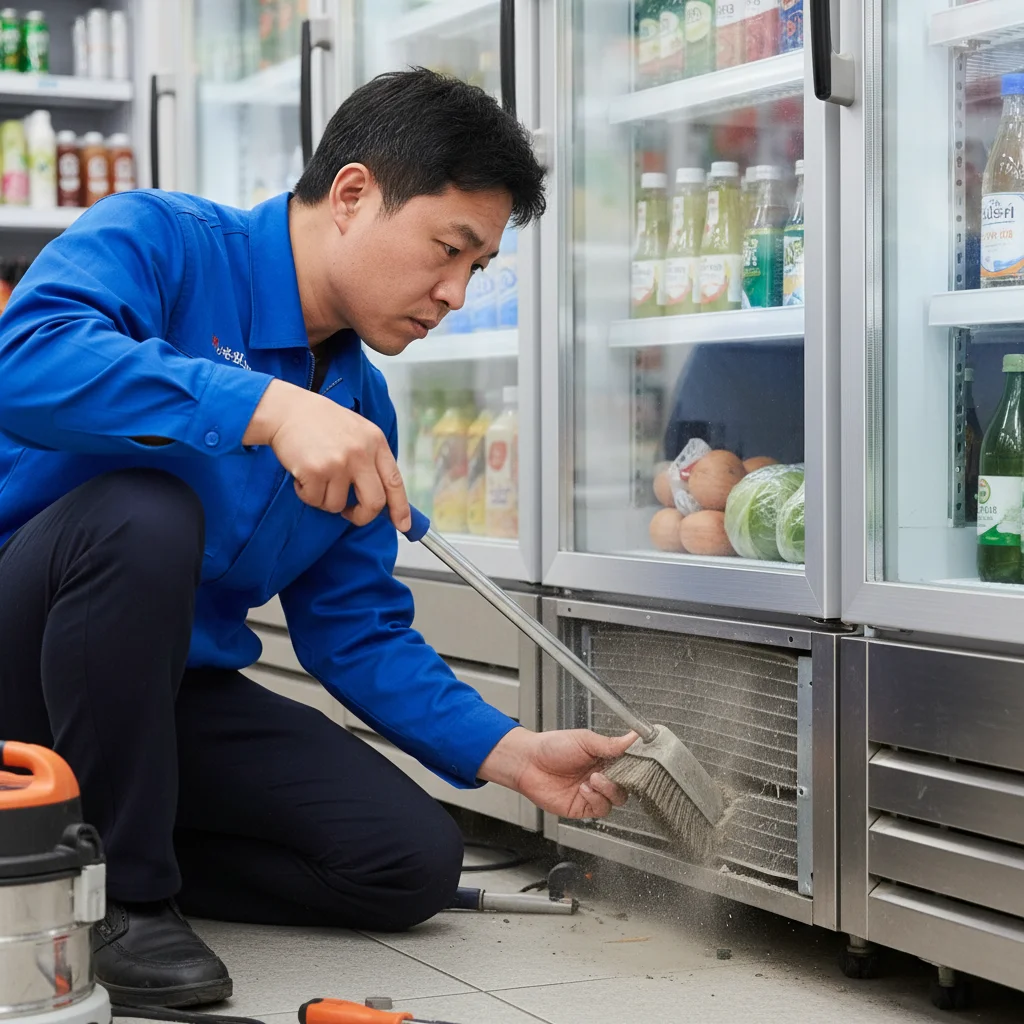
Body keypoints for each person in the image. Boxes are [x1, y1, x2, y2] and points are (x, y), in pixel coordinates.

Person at [0, 69, 633, 1008]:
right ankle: (126, 905)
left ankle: (68, 859)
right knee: (145, 512)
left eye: (478, 269)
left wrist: (508, 752)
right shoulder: (162, 240)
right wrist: (260, 406)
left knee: (406, 862)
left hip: (163, 699)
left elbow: (356, 629)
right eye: (447, 250)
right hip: (20, 661)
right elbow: (25, 359)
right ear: (353, 194)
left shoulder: (358, 405)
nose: (455, 292)